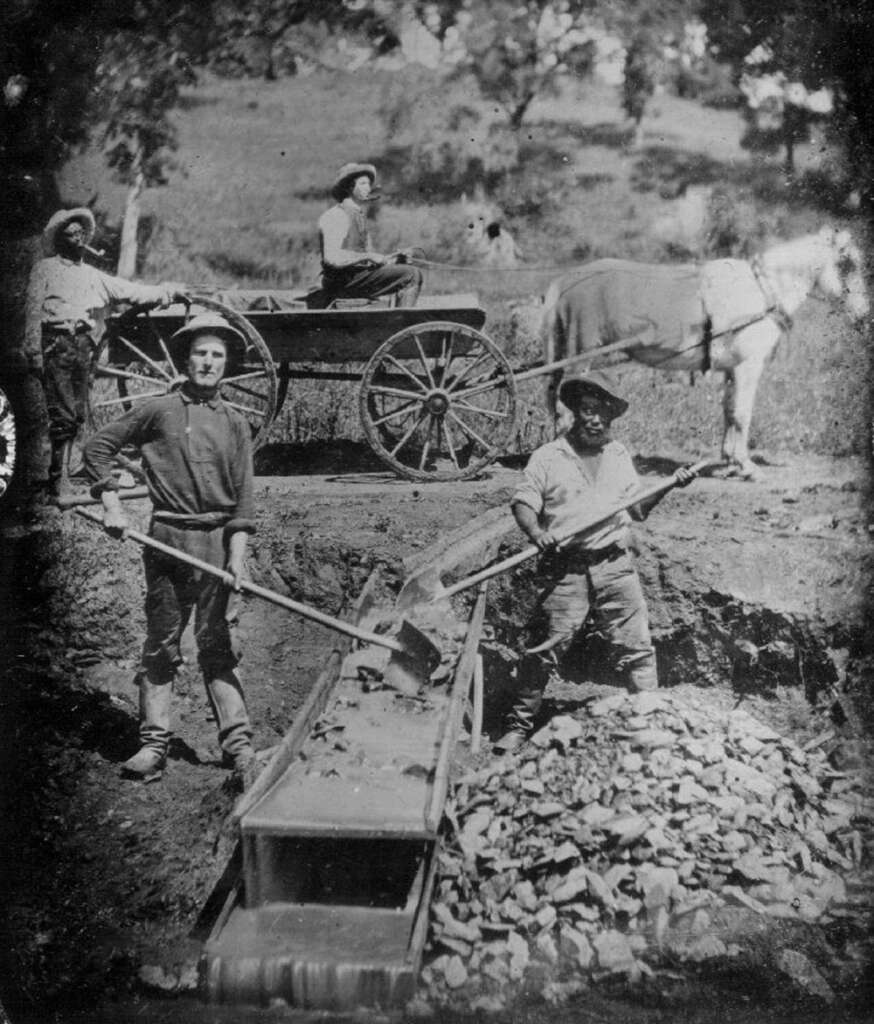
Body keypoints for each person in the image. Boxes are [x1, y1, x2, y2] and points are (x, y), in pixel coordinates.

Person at [83, 312, 257, 785]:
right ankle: (152, 745)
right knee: (161, 645)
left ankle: (239, 748)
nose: (207, 362)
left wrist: (237, 560)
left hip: (217, 544)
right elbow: (97, 447)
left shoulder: (236, 423)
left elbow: (243, 502)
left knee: (217, 643)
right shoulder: (158, 411)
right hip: (166, 541)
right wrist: (113, 505)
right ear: (185, 358)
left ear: (227, 364)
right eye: (200, 352)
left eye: (217, 355)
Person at [494, 370, 698, 753]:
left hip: (614, 565)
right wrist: (538, 534)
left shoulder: (618, 455)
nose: (595, 419)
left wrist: (669, 485)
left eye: (602, 413)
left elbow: (636, 509)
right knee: (544, 650)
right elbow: (523, 502)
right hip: (566, 566)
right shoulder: (549, 457)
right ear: (573, 412)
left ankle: (650, 719)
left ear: (610, 417)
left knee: (637, 646)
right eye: (587, 410)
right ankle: (518, 727)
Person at [24, 207, 185, 494]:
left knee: (78, 413)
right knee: (61, 415)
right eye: (70, 234)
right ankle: (57, 478)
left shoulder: (91, 275)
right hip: (55, 345)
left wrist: (166, 292)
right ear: (60, 240)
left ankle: (67, 470)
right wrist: (33, 352)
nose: (77, 239)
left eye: (80, 233)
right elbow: (32, 312)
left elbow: (128, 291)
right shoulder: (44, 269)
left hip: (82, 345)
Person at [316, 162, 422, 307]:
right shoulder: (336, 215)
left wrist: (394, 260)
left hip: (355, 278)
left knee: (405, 270)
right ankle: (403, 322)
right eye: (363, 183)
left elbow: (366, 261)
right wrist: (369, 256)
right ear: (348, 187)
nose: (368, 187)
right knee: (411, 275)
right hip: (342, 282)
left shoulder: (357, 216)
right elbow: (332, 258)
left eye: (369, 183)